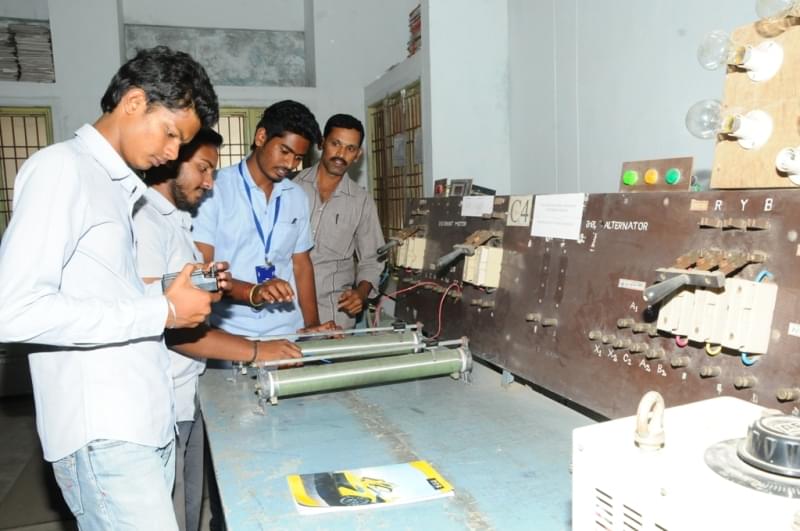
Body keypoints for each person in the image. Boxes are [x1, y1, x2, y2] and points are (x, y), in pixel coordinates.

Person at [0, 46, 219, 530]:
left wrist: (169, 299)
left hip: (142, 418)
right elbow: (12, 309)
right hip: (104, 429)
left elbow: (101, 295)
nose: (171, 153)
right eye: (170, 135)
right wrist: (160, 310)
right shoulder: (63, 169)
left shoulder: (118, 188)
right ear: (135, 102)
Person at [134, 127, 302, 531]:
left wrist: (217, 285)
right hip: (158, 402)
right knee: (169, 513)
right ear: (170, 159)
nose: (211, 182)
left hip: (185, 389)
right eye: (204, 169)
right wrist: (260, 349)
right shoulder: (144, 225)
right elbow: (175, 328)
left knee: (191, 504)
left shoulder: (174, 222)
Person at [193, 100, 327, 338]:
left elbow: (301, 265)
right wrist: (254, 291)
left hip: (288, 329)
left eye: (298, 158)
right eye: (284, 151)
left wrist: (312, 326)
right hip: (230, 331)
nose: (290, 164)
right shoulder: (214, 190)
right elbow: (201, 273)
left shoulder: (296, 197)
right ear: (261, 137)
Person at [294, 114, 385, 328]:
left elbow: (372, 260)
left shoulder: (361, 201)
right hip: (287, 312)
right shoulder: (291, 188)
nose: (341, 154)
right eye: (336, 144)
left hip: (334, 316)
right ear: (322, 143)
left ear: (358, 155)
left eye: (350, 148)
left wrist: (361, 294)